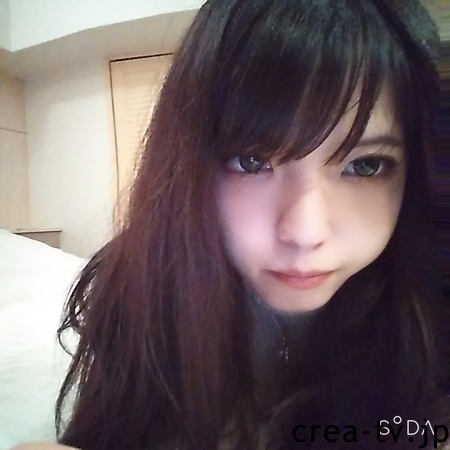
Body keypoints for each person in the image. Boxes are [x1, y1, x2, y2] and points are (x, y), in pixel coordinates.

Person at [13, 0, 450, 449]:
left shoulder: (430, 312)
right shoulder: (136, 293)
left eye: (366, 165)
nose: (306, 233)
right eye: (251, 161)